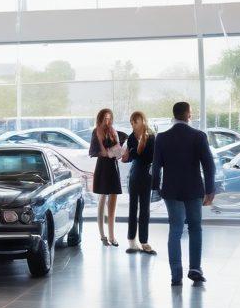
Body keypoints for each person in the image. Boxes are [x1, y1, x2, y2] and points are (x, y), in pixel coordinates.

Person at [151, 101, 215, 286]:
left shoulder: (162, 137)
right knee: (195, 228)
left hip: (171, 190)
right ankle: (195, 269)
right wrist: (210, 189)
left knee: (175, 230)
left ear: (174, 115)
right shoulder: (198, 136)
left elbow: (156, 167)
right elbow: (209, 165)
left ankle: (176, 275)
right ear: (188, 115)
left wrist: (156, 188)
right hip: (194, 189)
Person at [122, 111, 156, 255]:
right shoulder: (131, 137)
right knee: (132, 207)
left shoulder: (151, 136)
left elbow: (150, 156)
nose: (133, 125)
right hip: (135, 174)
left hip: (147, 174)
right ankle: (131, 241)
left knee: (145, 209)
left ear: (142, 120)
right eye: (131, 122)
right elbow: (131, 158)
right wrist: (126, 157)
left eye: (135, 122)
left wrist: (134, 153)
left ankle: (144, 241)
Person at [89, 108, 122, 246]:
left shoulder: (113, 131)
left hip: (113, 166)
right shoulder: (96, 131)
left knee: (113, 200)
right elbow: (94, 152)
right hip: (102, 166)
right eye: (105, 118)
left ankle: (112, 236)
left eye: (109, 118)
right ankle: (103, 235)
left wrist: (112, 152)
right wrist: (106, 150)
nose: (107, 121)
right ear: (100, 119)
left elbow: (118, 151)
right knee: (102, 199)